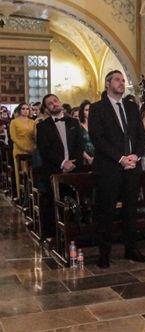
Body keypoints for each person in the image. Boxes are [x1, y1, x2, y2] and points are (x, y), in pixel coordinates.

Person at [89, 70, 145, 268]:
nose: (122, 83)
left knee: (131, 210)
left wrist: (136, 155)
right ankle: (104, 253)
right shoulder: (98, 108)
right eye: (117, 80)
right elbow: (97, 139)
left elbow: (141, 136)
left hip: (132, 167)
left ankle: (131, 249)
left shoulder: (132, 107)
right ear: (107, 84)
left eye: (123, 80)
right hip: (109, 168)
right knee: (106, 211)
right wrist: (120, 158)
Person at [36, 94, 85, 239]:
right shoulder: (43, 127)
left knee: (75, 200)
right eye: (50, 103)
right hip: (54, 169)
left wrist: (72, 163)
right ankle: (54, 234)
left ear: (60, 102)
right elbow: (45, 150)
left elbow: (79, 145)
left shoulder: (73, 122)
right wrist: (63, 163)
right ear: (46, 109)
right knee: (53, 201)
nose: (54, 104)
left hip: (74, 169)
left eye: (55, 101)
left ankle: (77, 231)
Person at [9, 103, 36, 199]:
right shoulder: (14, 122)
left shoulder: (33, 122)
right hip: (19, 150)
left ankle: (29, 195)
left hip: (32, 149)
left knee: (32, 172)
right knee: (22, 173)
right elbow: (13, 137)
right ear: (20, 110)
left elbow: (34, 136)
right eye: (23, 108)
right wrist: (24, 148)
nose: (25, 110)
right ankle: (20, 195)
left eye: (27, 109)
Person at [77, 100, 95, 166]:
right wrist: (88, 158)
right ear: (82, 111)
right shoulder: (78, 125)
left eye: (90, 109)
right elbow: (77, 145)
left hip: (97, 156)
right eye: (87, 110)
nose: (89, 112)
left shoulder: (96, 124)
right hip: (84, 157)